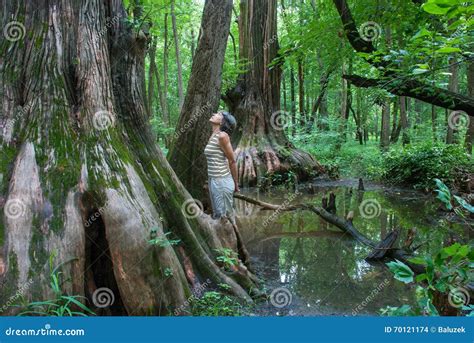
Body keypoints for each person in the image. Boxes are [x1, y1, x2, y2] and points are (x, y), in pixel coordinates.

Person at [204, 110, 239, 222]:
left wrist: (236, 184)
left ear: (222, 122)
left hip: (222, 181)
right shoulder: (214, 135)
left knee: (224, 219)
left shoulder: (222, 136)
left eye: (218, 114)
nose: (214, 114)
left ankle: (232, 239)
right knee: (218, 215)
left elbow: (232, 161)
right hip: (213, 180)